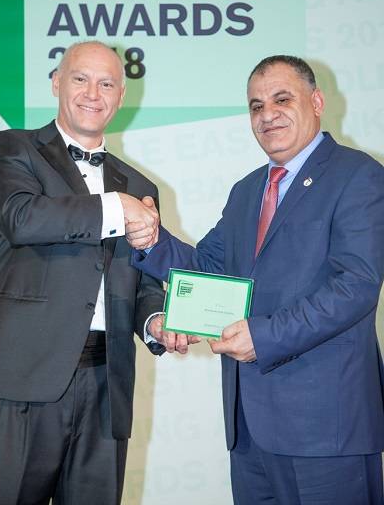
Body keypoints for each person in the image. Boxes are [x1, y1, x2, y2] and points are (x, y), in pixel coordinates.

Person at [128, 55, 384, 504]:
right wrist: (151, 239)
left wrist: (264, 337)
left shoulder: (359, 175)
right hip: (249, 431)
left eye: (282, 100)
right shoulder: (247, 190)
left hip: (326, 429)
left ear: (317, 102)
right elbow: (206, 268)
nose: (268, 115)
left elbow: (355, 286)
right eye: (256, 106)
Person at [0, 41, 187, 505]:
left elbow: (142, 281)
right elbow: (21, 218)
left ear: (121, 97)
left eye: (107, 84)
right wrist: (117, 208)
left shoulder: (140, 185)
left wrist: (155, 320)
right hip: (23, 380)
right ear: (57, 83)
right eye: (80, 79)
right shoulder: (13, 148)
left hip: (106, 386)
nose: (93, 93)